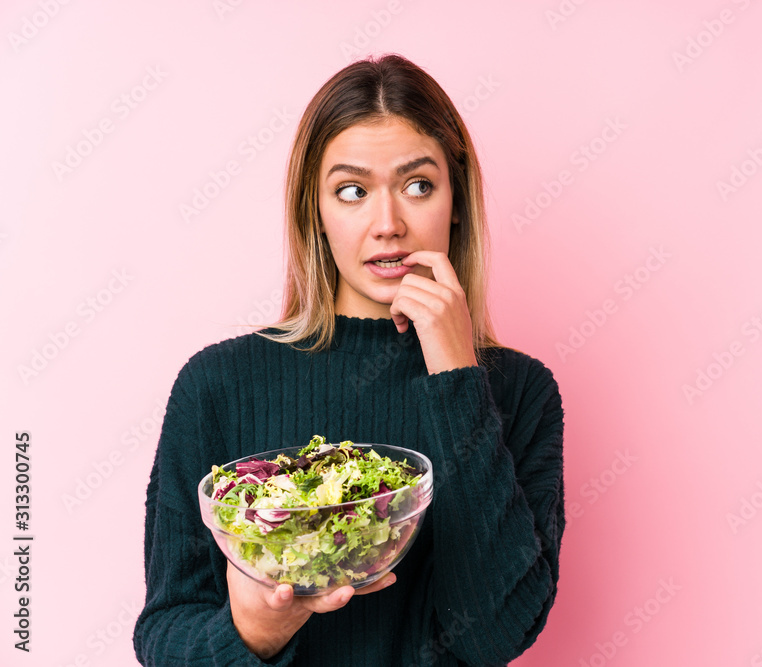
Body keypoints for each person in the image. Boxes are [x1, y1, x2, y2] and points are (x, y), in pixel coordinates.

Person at [133, 53, 565, 666]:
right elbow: (165, 635)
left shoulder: (520, 391)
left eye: (418, 186)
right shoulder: (217, 385)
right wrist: (257, 629)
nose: (388, 224)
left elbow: (494, 633)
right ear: (315, 209)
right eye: (352, 191)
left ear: (457, 201)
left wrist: (456, 373)